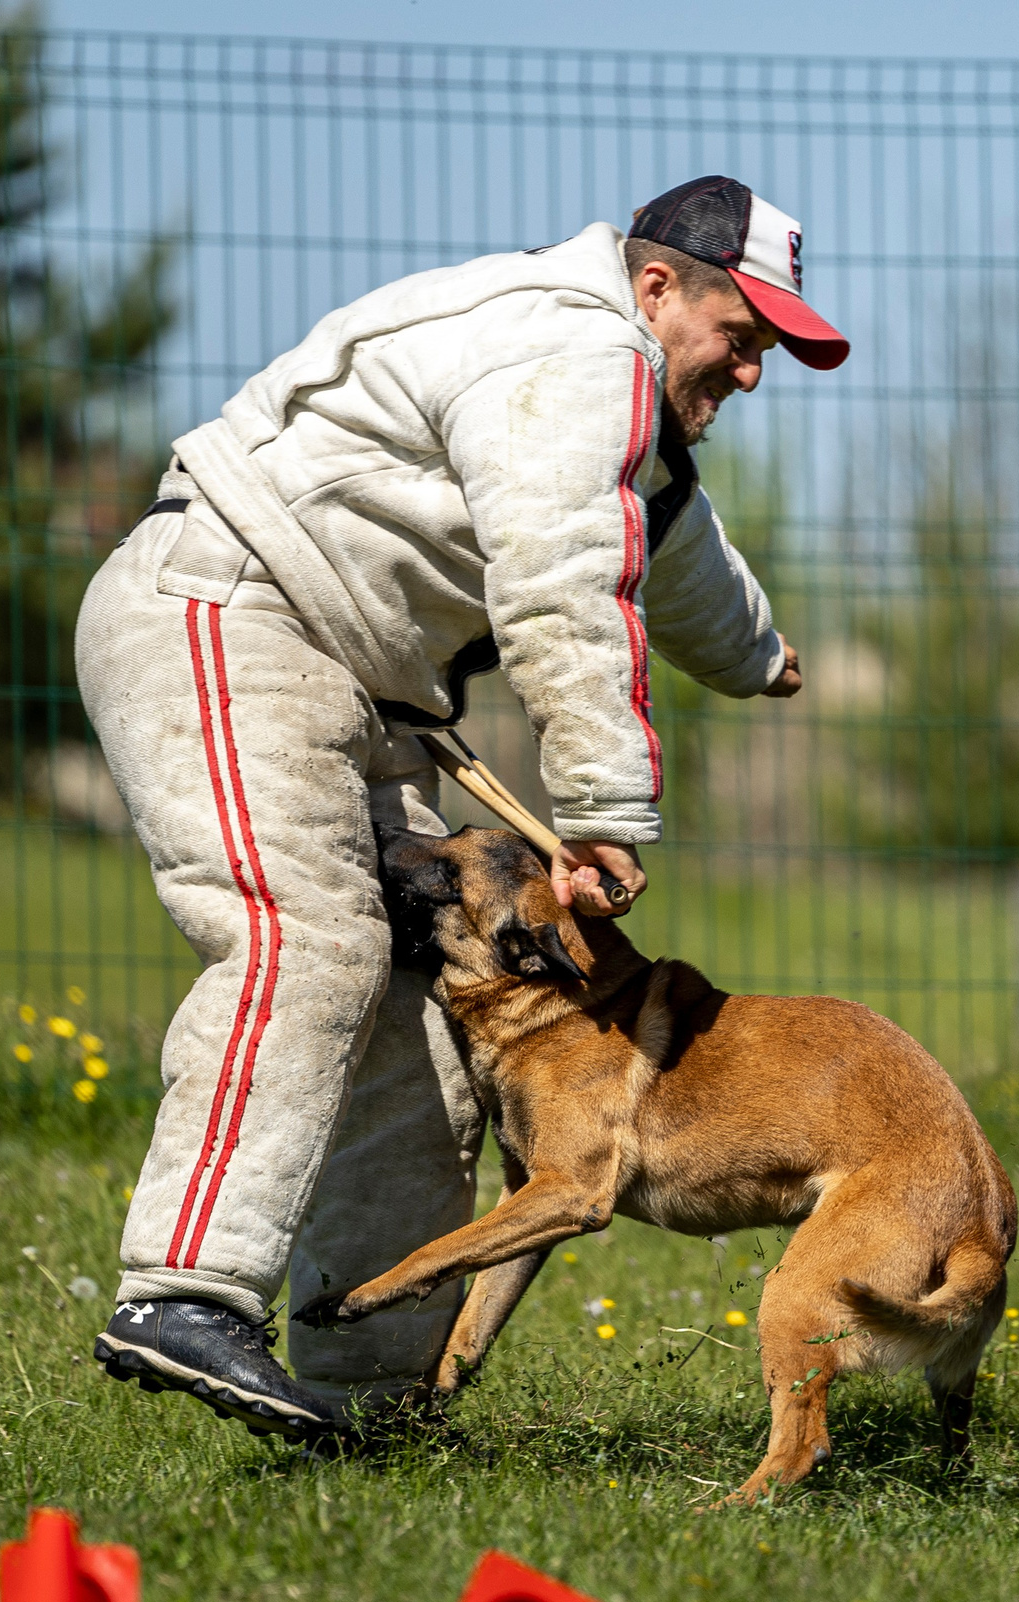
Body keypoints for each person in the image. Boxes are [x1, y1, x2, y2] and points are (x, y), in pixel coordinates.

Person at [79, 175, 850, 1438]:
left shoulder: (620, 403)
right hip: (227, 612)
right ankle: (183, 1289)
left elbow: (672, 550)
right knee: (305, 936)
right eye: (742, 335)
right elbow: (563, 576)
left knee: (425, 1031)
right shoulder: (577, 346)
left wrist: (758, 655)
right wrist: (602, 805)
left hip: (359, 679)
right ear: (657, 288)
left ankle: (378, 1399)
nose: (754, 372)